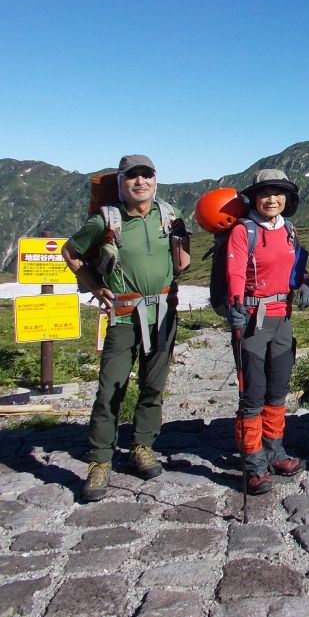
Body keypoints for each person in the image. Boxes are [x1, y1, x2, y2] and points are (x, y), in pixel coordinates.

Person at [62, 154, 190, 502]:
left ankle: (142, 446)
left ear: (155, 179)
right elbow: (70, 252)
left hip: (163, 311)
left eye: (146, 175)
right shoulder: (106, 220)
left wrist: (182, 242)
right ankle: (100, 460)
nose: (140, 182)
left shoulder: (169, 214)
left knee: (153, 384)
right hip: (123, 313)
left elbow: (182, 265)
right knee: (111, 387)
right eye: (132, 176)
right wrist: (94, 286)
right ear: (121, 182)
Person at [226, 169, 309, 495]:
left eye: (278, 193)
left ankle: (275, 452)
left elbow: (295, 269)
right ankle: (254, 465)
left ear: (287, 199)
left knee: (277, 389)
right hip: (252, 318)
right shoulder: (244, 231)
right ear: (255, 197)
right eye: (265, 193)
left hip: (283, 317)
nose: (272, 199)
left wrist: (305, 283)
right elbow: (235, 272)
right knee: (252, 394)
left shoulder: (288, 230)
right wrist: (236, 307)